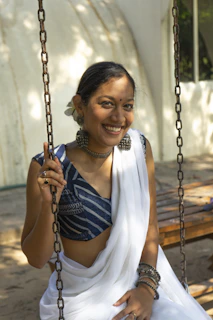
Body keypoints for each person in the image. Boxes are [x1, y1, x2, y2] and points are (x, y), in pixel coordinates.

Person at [21, 61, 211, 320]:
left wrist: (145, 289)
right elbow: (36, 258)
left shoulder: (138, 150)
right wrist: (48, 206)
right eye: (107, 103)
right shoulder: (50, 168)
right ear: (80, 105)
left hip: (135, 291)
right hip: (81, 302)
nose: (119, 117)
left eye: (127, 106)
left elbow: (149, 230)